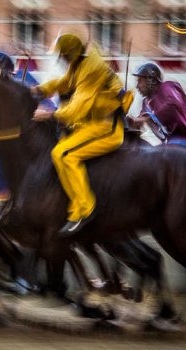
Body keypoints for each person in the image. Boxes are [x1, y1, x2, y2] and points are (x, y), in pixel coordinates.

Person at [30, 33, 128, 236]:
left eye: (62, 56)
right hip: (90, 123)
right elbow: (65, 83)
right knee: (58, 151)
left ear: (70, 54)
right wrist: (41, 90)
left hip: (106, 126)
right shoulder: (79, 65)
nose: (60, 59)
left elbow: (77, 107)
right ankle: (73, 204)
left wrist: (50, 113)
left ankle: (85, 208)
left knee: (64, 154)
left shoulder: (90, 70)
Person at [0, 52, 56, 229]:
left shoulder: (24, 78)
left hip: (30, 134)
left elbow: (48, 106)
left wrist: (39, 111)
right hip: (6, 132)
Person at [127, 63, 186, 153]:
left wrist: (147, 118)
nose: (137, 86)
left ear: (150, 80)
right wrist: (132, 122)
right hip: (171, 142)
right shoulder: (146, 102)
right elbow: (140, 120)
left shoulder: (168, 87)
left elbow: (172, 104)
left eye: (140, 81)